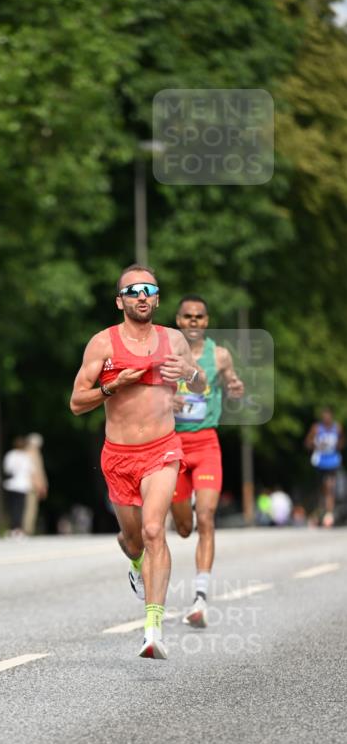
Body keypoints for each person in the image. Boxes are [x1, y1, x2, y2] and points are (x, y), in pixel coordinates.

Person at [70, 264, 205, 660]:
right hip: (118, 457)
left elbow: (199, 384)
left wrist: (190, 372)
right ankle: (134, 563)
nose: (142, 295)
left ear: (158, 298)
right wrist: (115, 384)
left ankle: (153, 628)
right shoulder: (103, 345)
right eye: (133, 291)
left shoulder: (174, 340)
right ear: (120, 301)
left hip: (163, 449)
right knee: (132, 540)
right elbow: (77, 402)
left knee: (152, 530)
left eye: (149, 289)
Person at [170, 295, 244, 627]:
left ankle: (200, 596)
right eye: (188, 316)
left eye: (199, 316)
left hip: (206, 445)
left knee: (207, 516)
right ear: (178, 320)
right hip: (173, 447)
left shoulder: (220, 355)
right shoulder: (167, 352)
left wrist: (234, 389)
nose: (194, 321)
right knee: (185, 527)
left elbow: (231, 386)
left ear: (207, 320)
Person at [304, 406, 344, 527]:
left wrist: (337, 446)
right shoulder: (316, 428)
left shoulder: (337, 428)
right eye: (324, 416)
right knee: (322, 489)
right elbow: (307, 443)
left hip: (333, 461)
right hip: (320, 461)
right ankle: (320, 512)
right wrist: (317, 444)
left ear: (331, 416)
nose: (326, 418)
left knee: (330, 486)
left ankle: (329, 514)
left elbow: (342, 442)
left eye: (328, 415)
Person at [2, 437, 34, 537]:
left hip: (12, 485)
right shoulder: (26, 456)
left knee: (13, 508)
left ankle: (13, 528)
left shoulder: (10, 455)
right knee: (20, 508)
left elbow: (7, 469)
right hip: (22, 485)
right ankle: (18, 528)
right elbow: (31, 470)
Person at [23, 433, 48, 535]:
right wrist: (40, 485)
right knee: (30, 507)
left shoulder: (25, 452)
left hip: (26, 484)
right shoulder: (33, 453)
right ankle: (27, 529)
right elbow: (35, 471)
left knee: (27, 506)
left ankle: (26, 528)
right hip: (32, 485)